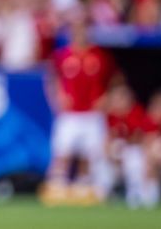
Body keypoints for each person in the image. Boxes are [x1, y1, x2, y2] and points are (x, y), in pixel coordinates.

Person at [41, 11, 116, 204]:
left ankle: (83, 188)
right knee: (63, 152)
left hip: (92, 113)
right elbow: (52, 79)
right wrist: (57, 98)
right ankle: (57, 187)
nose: (80, 33)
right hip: (70, 113)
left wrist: (106, 98)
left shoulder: (100, 56)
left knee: (88, 154)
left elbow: (113, 81)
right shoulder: (62, 56)